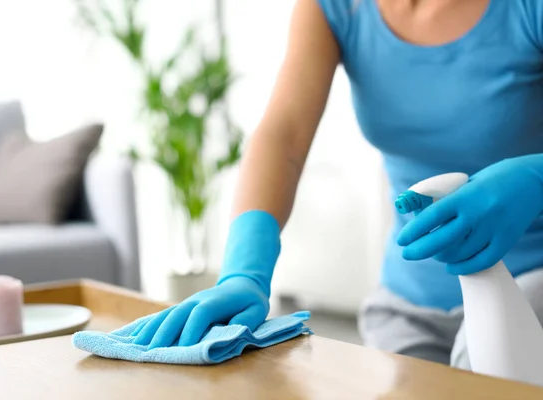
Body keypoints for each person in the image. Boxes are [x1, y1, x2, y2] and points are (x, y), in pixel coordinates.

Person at [136, 0, 543, 368]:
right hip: (408, 310)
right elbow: (285, 137)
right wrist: (244, 271)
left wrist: (535, 176)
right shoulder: (337, 7)